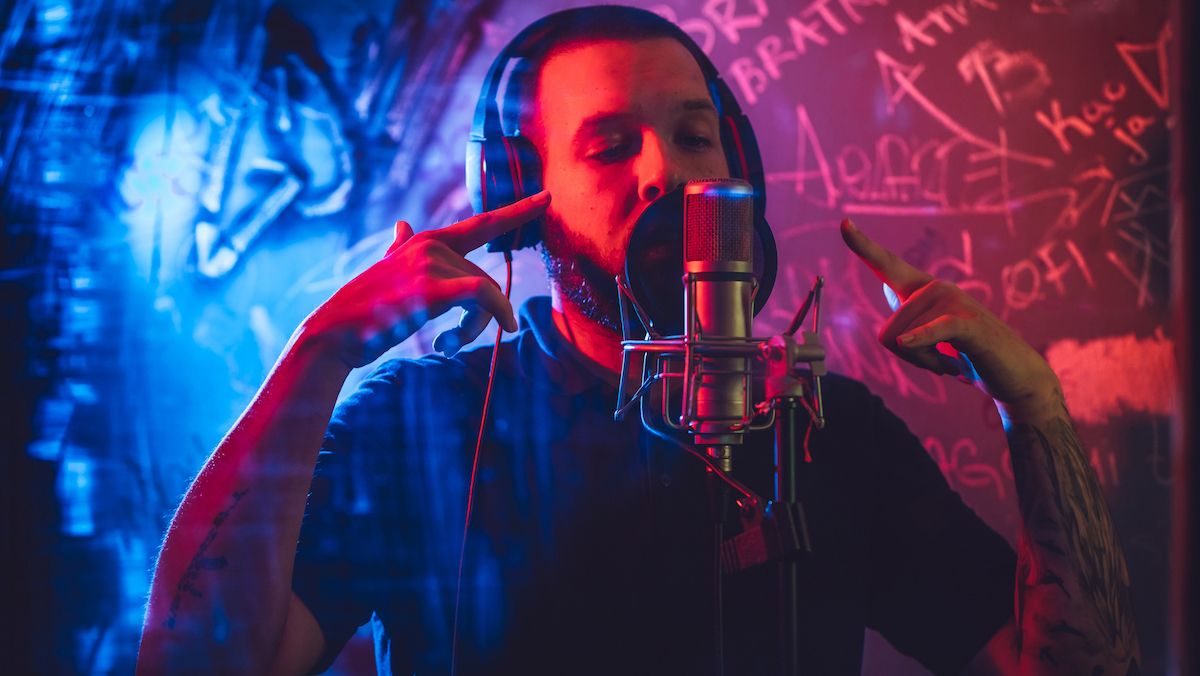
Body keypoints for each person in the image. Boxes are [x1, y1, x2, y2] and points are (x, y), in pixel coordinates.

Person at [137, 6, 1141, 674]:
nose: (666, 172)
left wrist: (1036, 412)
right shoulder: (424, 427)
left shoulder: (834, 431)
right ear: (516, 197)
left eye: (695, 135)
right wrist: (322, 352)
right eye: (610, 145)